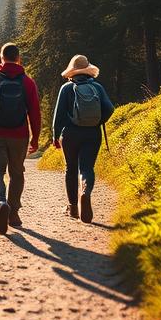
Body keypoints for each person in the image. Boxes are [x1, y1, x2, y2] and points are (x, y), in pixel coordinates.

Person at [0, 42, 41, 235]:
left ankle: (0, 202)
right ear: (18, 58)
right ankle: (13, 214)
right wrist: (35, 138)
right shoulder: (27, 82)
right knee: (17, 173)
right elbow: (35, 113)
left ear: (1, 58)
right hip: (20, 135)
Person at [52, 54, 115, 223]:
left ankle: (73, 208)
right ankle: (85, 192)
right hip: (92, 133)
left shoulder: (66, 88)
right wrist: (98, 121)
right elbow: (110, 108)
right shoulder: (98, 87)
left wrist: (55, 136)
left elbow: (58, 116)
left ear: (72, 71)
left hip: (70, 135)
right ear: (88, 70)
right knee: (87, 168)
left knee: (70, 169)